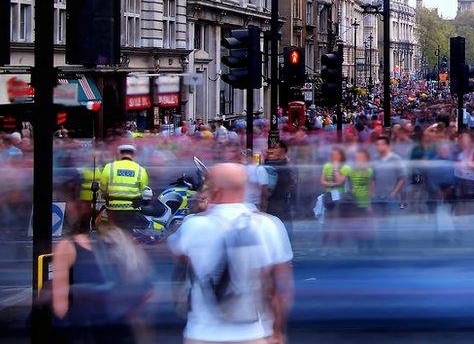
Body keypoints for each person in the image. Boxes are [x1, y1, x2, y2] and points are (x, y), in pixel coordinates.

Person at [169, 163, 294, 344]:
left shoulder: (193, 225)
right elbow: (282, 288)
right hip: (254, 334)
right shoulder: (269, 226)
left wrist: (200, 212)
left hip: (202, 335)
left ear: (215, 189)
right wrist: (277, 332)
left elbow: (179, 255)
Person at [52, 177, 151, 344]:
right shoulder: (117, 240)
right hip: (109, 329)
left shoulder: (72, 246)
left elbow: (60, 305)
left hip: (97, 330)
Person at [98, 144, 150, 231]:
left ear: (120, 154)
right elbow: (143, 190)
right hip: (131, 208)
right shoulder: (141, 170)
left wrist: (105, 196)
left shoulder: (109, 167)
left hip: (113, 206)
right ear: (133, 155)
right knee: (128, 231)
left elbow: (102, 186)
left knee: (113, 230)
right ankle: (127, 243)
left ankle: (114, 242)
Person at [373, 136, 407, 217]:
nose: (378, 147)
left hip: (392, 198)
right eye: (377, 145)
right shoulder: (375, 159)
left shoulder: (396, 159)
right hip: (378, 197)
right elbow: (372, 178)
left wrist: (394, 193)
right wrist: (373, 193)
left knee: (391, 222)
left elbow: (402, 178)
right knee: (379, 221)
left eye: (381, 144)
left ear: (387, 145)